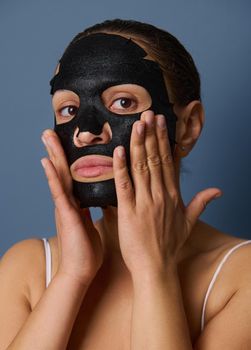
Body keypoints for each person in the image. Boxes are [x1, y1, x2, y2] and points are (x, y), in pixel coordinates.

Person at [0, 19, 251, 350]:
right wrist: (72, 275)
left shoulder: (240, 277)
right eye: (70, 108)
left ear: (187, 125)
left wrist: (153, 270)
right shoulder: (28, 268)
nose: (86, 130)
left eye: (123, 103)